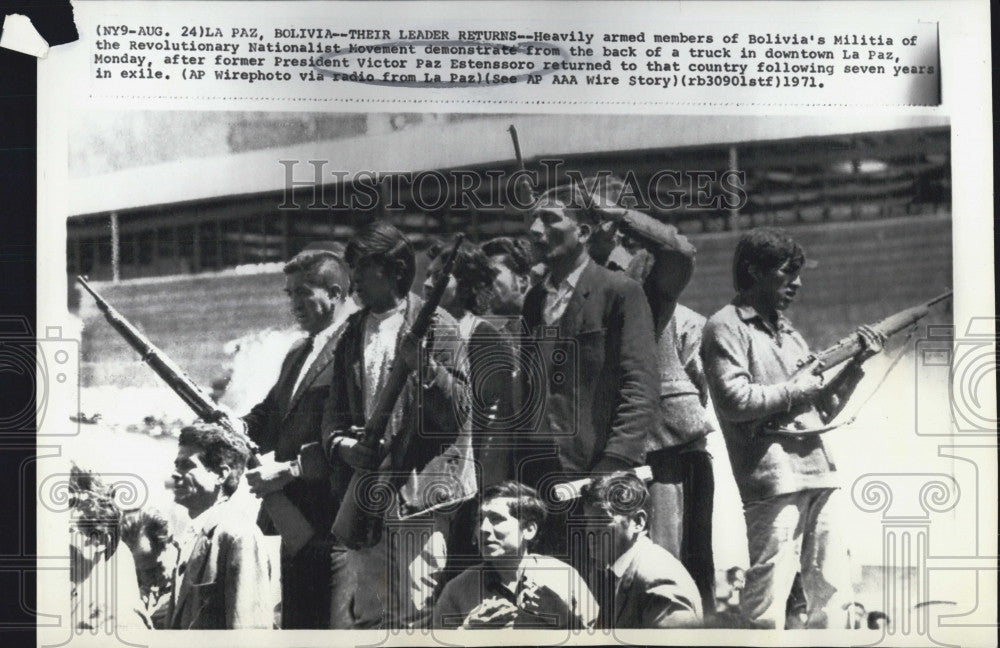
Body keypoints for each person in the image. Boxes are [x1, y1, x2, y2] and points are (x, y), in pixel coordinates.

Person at [700, 227, 885, 629]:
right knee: (767, 599)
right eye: (787, 273)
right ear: (753, 271)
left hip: (819, 473)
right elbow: (734, 402)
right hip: (773, 480)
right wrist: (795, 390)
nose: (797, 283)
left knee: (833, 594)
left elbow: (821, 409)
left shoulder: (790, 333)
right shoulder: (724, 326)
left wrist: (855, 365)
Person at [321, 221, 475, 628]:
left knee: (416, 614)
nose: (353, 281)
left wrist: (424, 366)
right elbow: (333, 415)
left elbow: (459, 410)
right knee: (369, 616)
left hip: (419, 495)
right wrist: (343, 446)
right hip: (368, 494)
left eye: (363, 269)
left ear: (393, 270)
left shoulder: (440, 326)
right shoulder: (352, 332)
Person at [238, 247, 357, 628]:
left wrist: (289, 471)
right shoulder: (298, 351)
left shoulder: (355, 346)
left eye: (304, 292)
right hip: (297, 525)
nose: (294, 303)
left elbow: (356, 431)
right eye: (290, 294)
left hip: (338, 517)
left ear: (337, 293)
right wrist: (232, 429)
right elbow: (270, 418)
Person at [519, 185, 659, 491]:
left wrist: (617, 460)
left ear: (583, 233)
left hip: (600, 469)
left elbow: (640, 384)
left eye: (549, 219)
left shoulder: (619, 291)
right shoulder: (533, 301)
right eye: (532, 220)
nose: (534, 230)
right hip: (540, 472)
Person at [433, 481, 598, 629]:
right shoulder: (457, 590)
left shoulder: (562, 577)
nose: (483, 529)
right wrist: (467, 633)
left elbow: (599, 637)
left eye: (496, 519)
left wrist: (566, 620)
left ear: (529, 530)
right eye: (479, 520)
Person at [167, 423, 272, 629]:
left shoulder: (238, 535)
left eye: (187, 465)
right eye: (176, 465)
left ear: (220, 475)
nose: (175, 474)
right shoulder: (191, 533)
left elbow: (248, 632)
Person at [580, 472, 702, 629]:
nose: (590, 530)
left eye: (603, 520)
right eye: (588, 520)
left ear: (638, 522)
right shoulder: (620, 572)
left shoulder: (657, 578)